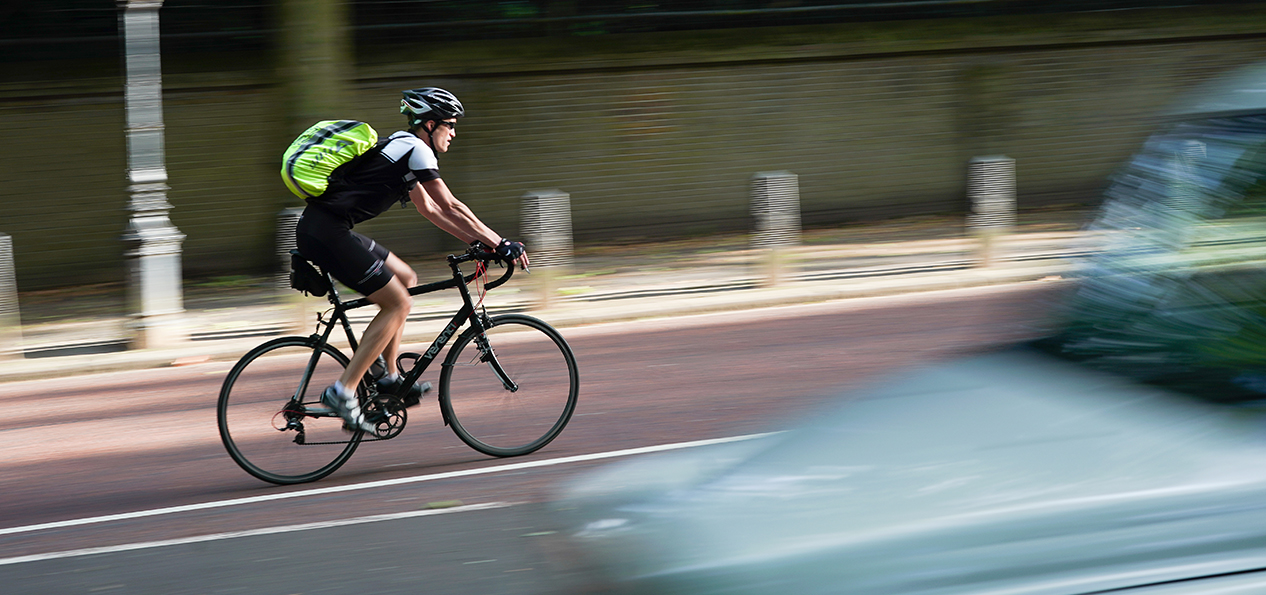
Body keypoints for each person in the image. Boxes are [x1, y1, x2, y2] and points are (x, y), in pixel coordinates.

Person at [295, 87, 529, 433]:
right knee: (397, 304)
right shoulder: (415, 148)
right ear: (430, 124)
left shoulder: (401, 149)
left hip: (327, 229)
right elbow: (451, 205)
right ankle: (342, 391)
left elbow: (431, 210)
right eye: (449, 125)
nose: (453, 132)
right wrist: (501, 242)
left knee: (405, 277)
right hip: (328, 235)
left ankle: (389, 376)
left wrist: (481, 245)